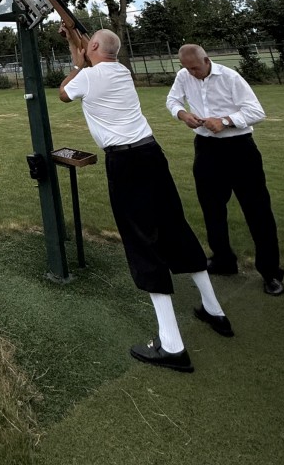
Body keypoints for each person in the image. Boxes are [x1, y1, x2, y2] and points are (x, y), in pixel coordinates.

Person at [59, 28, 232, 373]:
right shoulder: (122, 71)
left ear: (94, 46)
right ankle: (215, 311)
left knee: (142, 241)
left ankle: (172, 346)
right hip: (152, 154)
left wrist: (77, 63)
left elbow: (64, 93)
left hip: (125, 162)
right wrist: (75, 44)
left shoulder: (88, 77)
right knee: (175, 228)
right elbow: (95, 64)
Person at [166, 44, 284, 297]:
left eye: (195, 68)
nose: (192, 73)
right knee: (211, 208)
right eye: (186, 68)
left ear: (206, 60)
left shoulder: (230, 77)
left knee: (258, 210)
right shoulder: (184, 75)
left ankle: (270, 272)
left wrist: (226, 121)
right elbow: (172, 100)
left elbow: (256, 111)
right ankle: (223, 260)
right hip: (206, 149)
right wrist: (183, 114)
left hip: (240, 149)